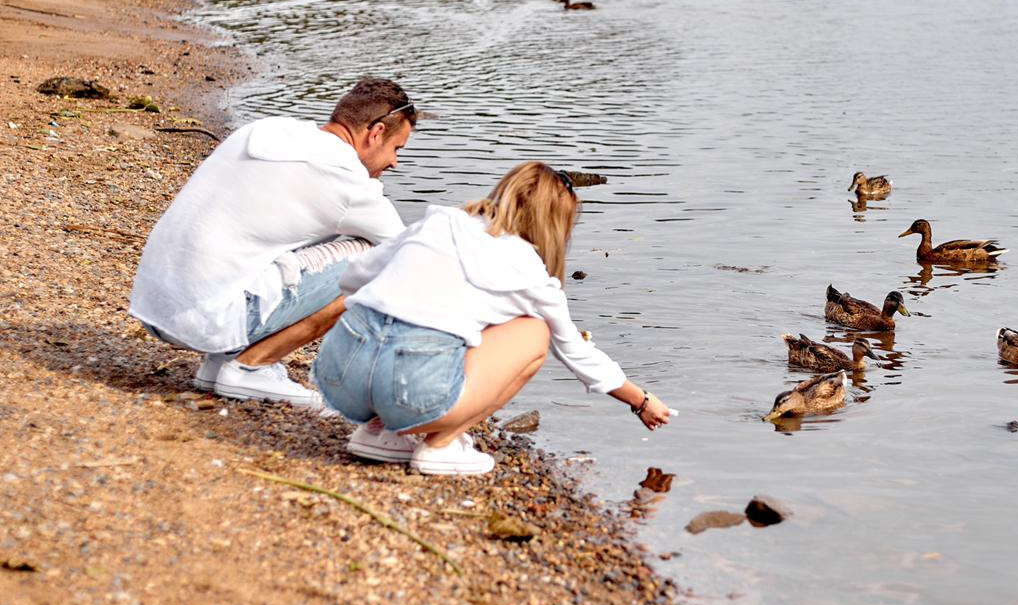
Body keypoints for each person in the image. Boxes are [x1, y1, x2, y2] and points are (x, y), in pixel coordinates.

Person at [314, 161, 671, 475]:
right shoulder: (530, 272)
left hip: (339, 377)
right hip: (410, 391)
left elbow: (355, 277)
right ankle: (441, 446)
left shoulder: (441, 221)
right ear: (556, 224)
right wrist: (641, 401)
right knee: (534, 333)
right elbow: (578, 355)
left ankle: (380, 430)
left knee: (433, 323)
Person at [129, 78, 421, 407]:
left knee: (302, 233)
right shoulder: (347, 180)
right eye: (397, 149)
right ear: (376, 132)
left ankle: (221, 360)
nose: (395, 163)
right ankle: (251, 367)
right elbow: (405, 255)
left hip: (153, 305)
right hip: (202, 318)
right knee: (374, 262)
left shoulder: (266, 130)